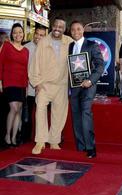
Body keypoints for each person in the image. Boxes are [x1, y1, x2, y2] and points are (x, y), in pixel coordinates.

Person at [29, 17, 72, 154]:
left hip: (62, 85)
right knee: (40, 111)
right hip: (44, 85)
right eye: (56, 25)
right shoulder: (43, 42)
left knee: (58, 114)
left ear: (64, 29)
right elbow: (34, 64)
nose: (57, 28)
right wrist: (37, 83)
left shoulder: (69, 42)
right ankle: (40, 141)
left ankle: (54, 141)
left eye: (61, 26)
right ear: (52, 26)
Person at [69, 20, 104, 158]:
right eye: (72, 29)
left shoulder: (92, 45)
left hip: (88, 86)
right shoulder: (70, 46)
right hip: (74, 86)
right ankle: (81, 146)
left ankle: (91, 147)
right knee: (76, 115)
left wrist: (90, 80)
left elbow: (100, 65)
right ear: (70, 32)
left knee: (85, 114)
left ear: (83, 30)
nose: (76, 32)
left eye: (78, 29)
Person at [0, 23, 29, 146]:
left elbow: (26, 68)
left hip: (21, 82)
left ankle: (13, 137)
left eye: (20, 32)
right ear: (12, 34)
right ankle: (7, 134)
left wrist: (27, 85)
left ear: (23, 34)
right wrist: (0, 81)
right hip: (9, 81)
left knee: (19, 110)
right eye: (15, 32)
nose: (18, 34)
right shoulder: (6, 46)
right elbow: (0, 64)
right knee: (14, 108)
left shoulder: (26, 50)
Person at [21, 25, 46, 143]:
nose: (38, 37)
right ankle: (25, 138)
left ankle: (42, 138)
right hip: (28, 88)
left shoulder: (48, 48)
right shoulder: (25, 48)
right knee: (27, 114)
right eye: (37, 34)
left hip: (43, 88)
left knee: (42, 114)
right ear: (34, 34)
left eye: (42, 35)